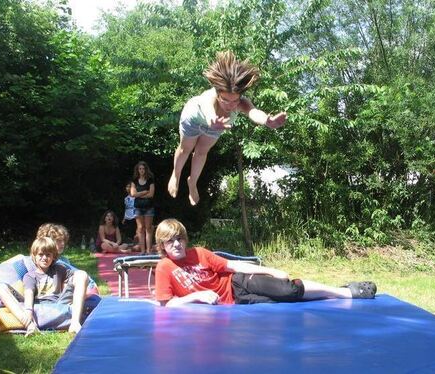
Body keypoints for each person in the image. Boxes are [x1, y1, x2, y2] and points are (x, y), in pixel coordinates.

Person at [153, 219, 377, 306]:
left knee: (286, 289)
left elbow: (233, 266)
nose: (176, 244)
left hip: (237, 284)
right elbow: (166, 303)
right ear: (162, 245)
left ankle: (346, 292)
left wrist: (272, 270)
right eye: (170, 241)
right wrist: (196, 295)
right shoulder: (164, 267)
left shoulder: (199, 253)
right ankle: (336, 293)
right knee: (277, 303)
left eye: (180, 238)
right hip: (235, 303)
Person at [167, 51, 287, 205]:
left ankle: (192, 182)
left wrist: (267, 121)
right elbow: (207, 108)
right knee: (186, 149)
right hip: (194, 119)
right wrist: (212, 119)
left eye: (235, 101)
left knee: (202, 152)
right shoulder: (209, 97)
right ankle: (175, 175)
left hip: (218, 124)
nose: (230, 105)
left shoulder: (241, 102)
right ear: (218, 94)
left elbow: (253, 112)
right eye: (225, 100)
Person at [0, 237, 89, 335]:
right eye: (40, 254)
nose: (44, 258)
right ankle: (30, 325)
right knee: (0, 287)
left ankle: (74, 323)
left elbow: (78, 278)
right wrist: (28, 310)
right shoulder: (30, 275)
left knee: (82, 274)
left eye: (48, 255)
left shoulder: (59, 268)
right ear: (34, 256)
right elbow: (29, 292)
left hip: (59, 302)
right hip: (37, 306)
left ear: (53, 257)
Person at [131, 161, 155, 254]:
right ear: (137, 170)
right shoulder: (134, 181)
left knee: (148, 228)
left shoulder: (150, 180)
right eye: (140, 169)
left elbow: (151, 194)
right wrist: (144, 192)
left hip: (149, 207)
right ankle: (142, 250)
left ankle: (149, 250)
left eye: (143, 169)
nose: (141, 170)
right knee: (140, 228)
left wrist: (139, 195)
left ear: (146, 170)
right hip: (138, 207)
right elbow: (133, 194)